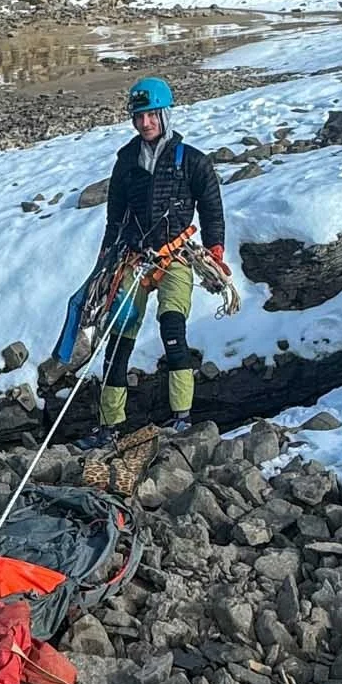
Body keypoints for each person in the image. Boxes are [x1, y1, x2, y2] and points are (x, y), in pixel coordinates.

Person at [82, 75, 227, 446]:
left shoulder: (192, 161)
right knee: (118, 340)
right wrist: (105, 261)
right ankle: (109, 426)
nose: (144, 123)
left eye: (151, 115)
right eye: (138, 116)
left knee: (172, 329)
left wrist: (215, 250)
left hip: (176, 256)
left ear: (165, 115)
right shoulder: (126, 161)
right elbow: (115, 217)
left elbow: (212, 210)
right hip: (132, 259)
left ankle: (182, 419)